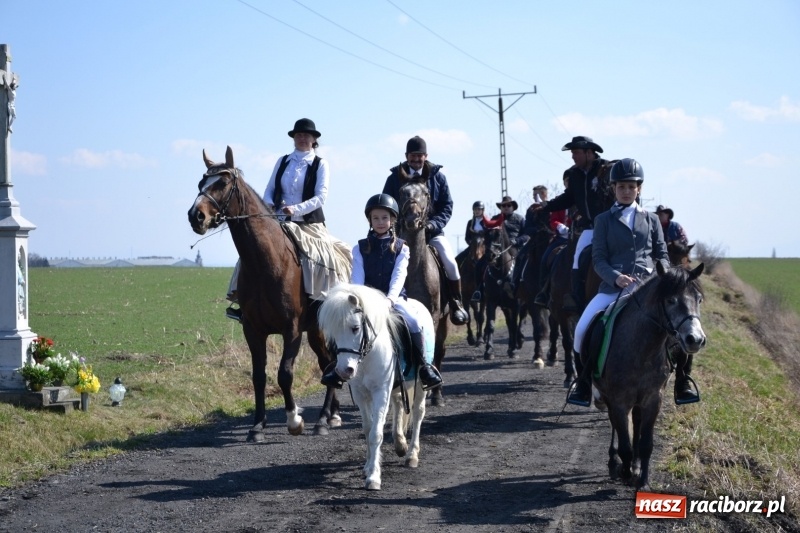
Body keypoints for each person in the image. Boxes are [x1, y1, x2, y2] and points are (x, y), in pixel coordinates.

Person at [566, 158, 671, 406]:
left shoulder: (652, 219)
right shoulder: (603, 220)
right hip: (613, 288)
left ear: (639, 189)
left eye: (631, 187)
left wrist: (662, 277)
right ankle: (583, 384)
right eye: (621, 187)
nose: (626, 191)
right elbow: (599, 258)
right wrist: (616, 277)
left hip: (648, 289)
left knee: (681, 330)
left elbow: (662, 255)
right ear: (614, 188)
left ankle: (683, 382)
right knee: (581, 330)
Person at [225, 118, 352, 321]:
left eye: (306, 135)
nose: (302, 138)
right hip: (279, 221)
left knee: (322, 256)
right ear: (294, 138)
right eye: (298, 135)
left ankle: (322, 303)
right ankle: (242, 301)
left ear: (313, 140)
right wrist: (269, 206)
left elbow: (321, 197)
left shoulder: (321, 164)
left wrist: (296, 209)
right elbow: (269, 190)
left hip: (308, 224)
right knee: (252, 250)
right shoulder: (283, 161)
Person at [320, 194, 443, 390]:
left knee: (413, 321)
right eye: (375, 218)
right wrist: (358, 299)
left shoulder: (402, 248)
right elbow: (357, 278)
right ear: (370, 220)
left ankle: (424, 367)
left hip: (393, 300)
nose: (380, 222)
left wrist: (390, 300)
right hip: (365, 302)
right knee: (344, 324)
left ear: (393, 220)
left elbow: (398, 276)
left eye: (384, 218)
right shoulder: (359, 248)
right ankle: (337, 367)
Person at [382, 136, 468, 326]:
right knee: (383, 261)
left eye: (420, 156)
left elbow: (447, 206)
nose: (416, 159)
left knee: (451, 263)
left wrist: (433, 225)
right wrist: (395, 229)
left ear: (425, 156)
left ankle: (456, 303)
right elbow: (386, 205)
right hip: (402, 234)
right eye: (413, 156)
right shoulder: (394, 178)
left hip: (431, 233)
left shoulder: (437, 176)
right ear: (407, 156)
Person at [533, 136, 612, 311]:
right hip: (590, 228)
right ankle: (577, 298)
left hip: (612, 227)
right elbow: (568, 198)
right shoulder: (575, 174)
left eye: (576, 152)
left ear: (589, 153)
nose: (573, 156)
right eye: (572, 153)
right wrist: (547, 206)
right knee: (577, 259)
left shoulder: (607, 170)